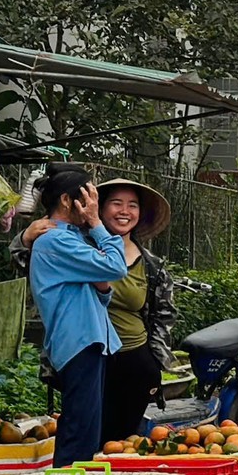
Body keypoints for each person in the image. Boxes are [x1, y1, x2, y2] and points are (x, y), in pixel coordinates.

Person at [28, 170, 127, 474]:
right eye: (87, 199)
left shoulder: (71, 239)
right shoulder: (54, 240)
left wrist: (104, 289)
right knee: (78, 430)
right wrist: (98, 224)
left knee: (87, 427)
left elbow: (100, 291)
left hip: (90, 339)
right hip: (77, 342)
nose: (92, 206)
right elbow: (116, 266)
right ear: (67, 200)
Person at [96, 177, 176, 444]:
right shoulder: (79, 250)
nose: (124, 211)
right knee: (90, 437)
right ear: (99, 208)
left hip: (135, 362)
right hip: (91, 359)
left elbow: (164, 316)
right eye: (116, 203)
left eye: (132, 205)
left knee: (125, 442)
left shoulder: (152, 266)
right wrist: (27, 236)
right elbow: (29, 261)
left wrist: (154, 362)